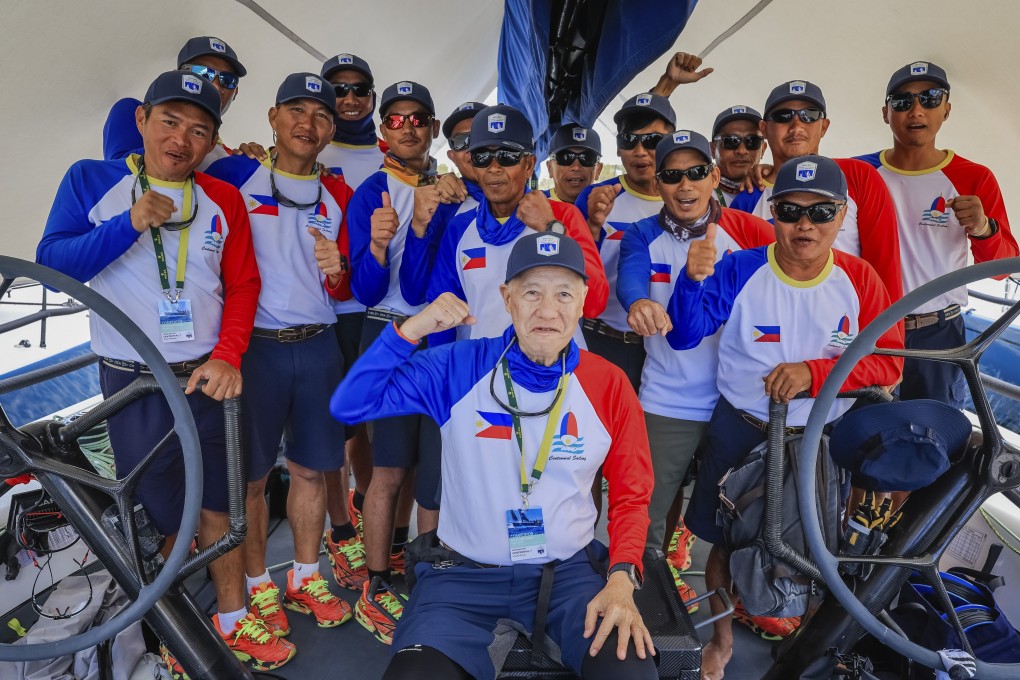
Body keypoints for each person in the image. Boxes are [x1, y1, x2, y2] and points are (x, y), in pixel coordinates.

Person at [38, 70, 295, 675]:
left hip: (208, 376)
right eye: (170, 121)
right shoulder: (90, 180)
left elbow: (243, 284)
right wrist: (126, 225)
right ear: (142, 120)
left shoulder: (222, 198)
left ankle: (233, 618)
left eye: (200, 130)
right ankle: (172, 640)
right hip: (133, 382)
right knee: (154, 515)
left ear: (212, 143)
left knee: (221, 503)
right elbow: (53, 263)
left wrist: (230, 353)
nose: (182, 139)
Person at [331, 230, 657, 680]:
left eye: (563, 293)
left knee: (632, 674)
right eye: (531, 293)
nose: (547, 311)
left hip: (568, 579)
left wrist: (622, 576)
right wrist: (411, 330)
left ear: (583, 301)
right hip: (462, 581)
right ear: (507, 299)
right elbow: (349, 405)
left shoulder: (609, 382)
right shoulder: (458, 366)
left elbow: (632, 495)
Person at [666, 155, 903, 680]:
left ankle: (809, 648)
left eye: (821, 211)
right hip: (741, 428)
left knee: (824, 549)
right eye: (791, 210)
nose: (806, 224)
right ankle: (722, 642)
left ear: (843, 216)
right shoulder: (739, 268)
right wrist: (689, 281)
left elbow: (889, 359)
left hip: (821, 440)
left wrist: (814, 373)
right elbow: (683, 335)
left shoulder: (859, 279)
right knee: (723, 541)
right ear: (773, 212)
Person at [204, 72, 355, 639]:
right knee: (249, 480)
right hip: (255, 350)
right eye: (295, 110)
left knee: (315, 469)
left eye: (320, 116)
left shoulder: (338, 195)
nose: (306, 123)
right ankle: (259, 584)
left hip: (318, 346)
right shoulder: (233, 180)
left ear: (330, 130)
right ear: (271, 118)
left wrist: (338, 271)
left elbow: (345, 288)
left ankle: (305, 576)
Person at [617, 130, 774, 608]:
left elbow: (806, 261)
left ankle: (728, 618)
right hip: (667, 398)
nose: (684, 185)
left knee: (733, 516)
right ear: (657, 182)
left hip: (737, 403)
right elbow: (630, 279)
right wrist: (640, 302)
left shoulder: (749, 230)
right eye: (671, 175)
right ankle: (639, 598)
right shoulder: (642, 232)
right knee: (647, 509)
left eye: (695, 172)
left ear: (714, 175)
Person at [345, 80, 461, 644]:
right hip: (387, 332)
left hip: (442, 342)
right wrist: (376, 246)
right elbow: (367, 291)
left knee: (431, 471)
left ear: (433, 128)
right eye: (395, 118)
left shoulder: (452, 189)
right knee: (389, 466)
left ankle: (425, 575)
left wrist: (433, 218)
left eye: (419, 117)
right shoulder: (372, 189)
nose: (407, 125)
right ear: (382, 128)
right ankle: (375, 580)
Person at [857, 61, 1017, 407]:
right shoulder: (858, 171)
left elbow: (1004, 267)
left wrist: (983, 227)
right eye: (902, 101)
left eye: (930, 98)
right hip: (871, 329)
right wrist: (762, 173)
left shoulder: (975, 177)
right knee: (864, 436)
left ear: (946, 109)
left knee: (938, 439)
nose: (916, 110)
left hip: (939, 334)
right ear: (886, 113)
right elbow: (799, 181)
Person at [424, 104, 608, 344]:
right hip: (485, 374)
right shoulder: (460, 228)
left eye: (507, 156)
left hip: (557, 375)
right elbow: (442, 313)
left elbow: (595, 303)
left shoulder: (563, 216)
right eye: (482, 157)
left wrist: (550, 228)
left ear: (529, 165)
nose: (494, 168)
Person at [729, 80, 904, 301]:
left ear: (824, 126)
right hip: (771, 326)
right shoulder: (749, 196)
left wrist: (889, 332)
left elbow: (885, 268)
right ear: (764, 128)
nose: (796, 126)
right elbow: (735, 278)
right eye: (783, 116)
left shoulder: (859, 176)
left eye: (809, 115)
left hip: (847, 328)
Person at [314, 51, 384, 595]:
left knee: (365, 425)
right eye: (338, 89)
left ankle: (362, 509)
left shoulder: (395, 157)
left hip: (377, 311)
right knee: (330, 433)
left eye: (359, 88)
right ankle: (341, 531)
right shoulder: (302, 150)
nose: (350, 97)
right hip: (326, 317)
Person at [573, 93, 676, 391]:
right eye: (629, 140)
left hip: (667, 347)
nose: (640, 151)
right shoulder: (595, 197)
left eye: (652, 140)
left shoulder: (687, 198)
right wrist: (592, 225)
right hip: (603, 340)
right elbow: (571, 271)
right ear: (618, 148)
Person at [103, 37, 246, 171]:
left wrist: (256, 159)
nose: (216, 85)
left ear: (236, 93)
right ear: (177, 75)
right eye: (203, 73)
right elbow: (120, 172)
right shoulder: (132, 111)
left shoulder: (230, 156)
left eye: (228, 80)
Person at [709, 106, 766, 207]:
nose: (742, 151)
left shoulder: (776, 192)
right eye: (730, 141)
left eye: (752, 141)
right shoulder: (698, 195)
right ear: (713, 150)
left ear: (763, 150)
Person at [544, 124, 603, 204]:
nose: (576, 167)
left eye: (586, 158)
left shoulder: (612, 209)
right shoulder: (531, 206)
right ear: (550, 168)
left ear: (598, 170)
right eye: (566, 157)